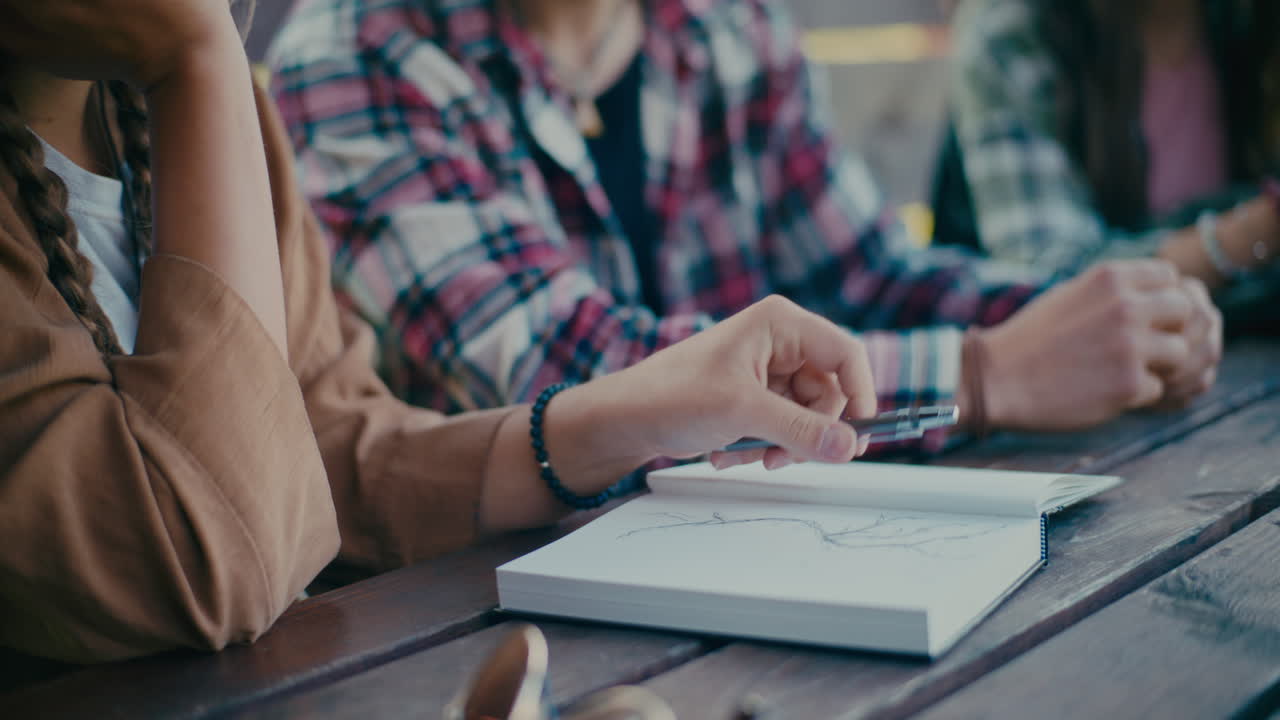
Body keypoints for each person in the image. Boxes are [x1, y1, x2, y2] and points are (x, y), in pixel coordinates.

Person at [0, 0, 913, 664]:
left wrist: (643, 412)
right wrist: (195, 59)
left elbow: (334, 455)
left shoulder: (179, 114)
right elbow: (209, 561)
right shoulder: (211, 79)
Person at [269, 0, 1221, 450]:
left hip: (761, 557)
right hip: (485, 612)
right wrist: (987, 372)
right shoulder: (358, 50)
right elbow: (568, 370)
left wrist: (1105, 318)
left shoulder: (727, 27)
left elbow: (870, 274)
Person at [940, 0, 1279, 326]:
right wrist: (1257, 230)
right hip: (1098, 371)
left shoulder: (1248, 18)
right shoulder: (1012, 28)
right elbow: (1051, 290)